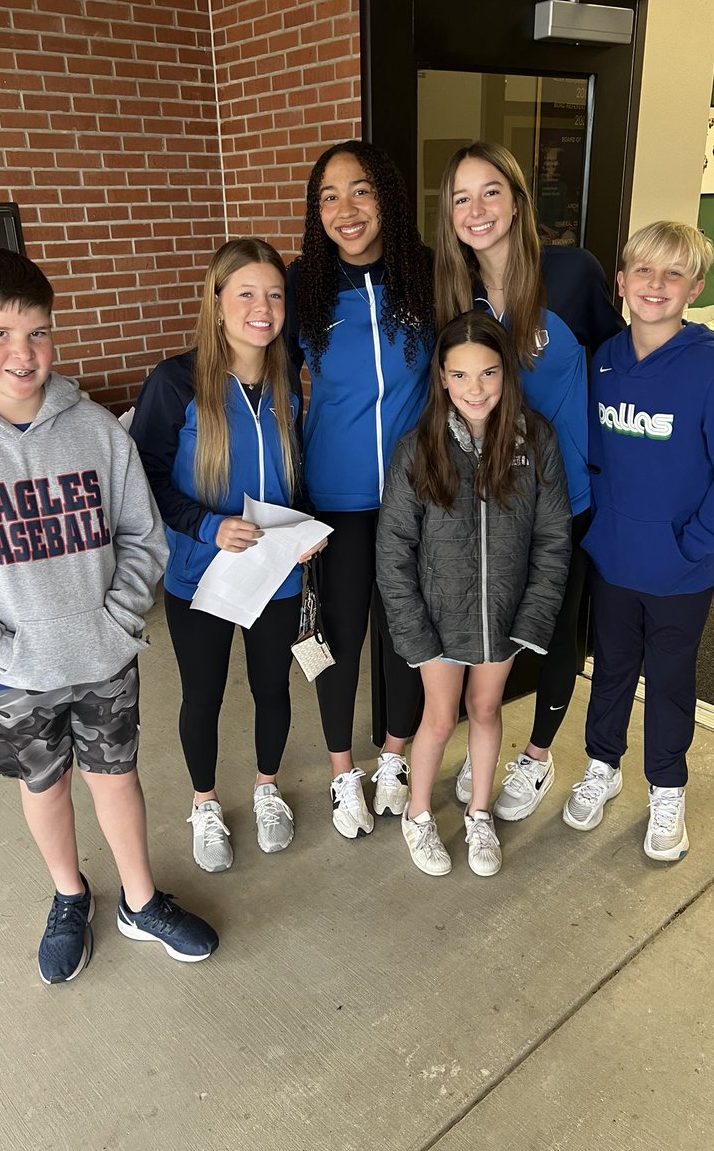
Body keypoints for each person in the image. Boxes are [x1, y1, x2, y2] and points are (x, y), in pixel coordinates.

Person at [0, 247, 218, 984]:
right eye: (0, 333)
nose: (22, 352)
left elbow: (142, 534)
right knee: (43, 785)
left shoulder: (98, 431)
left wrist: (117, 618)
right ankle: (70, 895)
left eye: (37, 332)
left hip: (104, 653)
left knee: (118, 775)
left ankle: (139, 901)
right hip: (12, 669)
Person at [434, 141, 624, 822]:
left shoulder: (572, 274)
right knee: (493, 629)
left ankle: (538, 757)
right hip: (491, 503)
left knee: (551, 629)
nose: (477, 209)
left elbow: (623, 361)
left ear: (516, 199)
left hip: (567, 496)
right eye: (461, 197)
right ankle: (485, 742)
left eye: (491, 192)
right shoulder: (455, 295)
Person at [563, 220, 714, 860]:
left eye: (674, 273)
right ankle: (602, 767)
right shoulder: (607, 360)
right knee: (611, 671)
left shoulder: (713, 369)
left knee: (670, 679)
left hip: (682, 570)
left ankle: (667, 788)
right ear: (620, 282)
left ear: (695, 287)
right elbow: (591, 455)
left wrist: (692, 544)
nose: (657, 284)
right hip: (615, 561)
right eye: (644, 271)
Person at [131, 238, 322, 873]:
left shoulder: (286, 379)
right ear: (216, 304)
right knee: (203, 694)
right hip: (200, 570)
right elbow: (146, 480)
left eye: (273, 294)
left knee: (273, 688)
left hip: (274, 571)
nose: (261, 307)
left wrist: (306, 529)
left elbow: (296, 475)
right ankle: (205, 803)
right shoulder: (174, 382)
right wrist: (207, 527)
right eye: (245, 293)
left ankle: (267, 789)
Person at [376, 312, 571, 876]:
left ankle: (479, 813)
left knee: (484, 710)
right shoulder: (419, 449)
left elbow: (553, 537)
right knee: (438, 717)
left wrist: (533, 617)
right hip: (438, 622)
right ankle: (418, 815)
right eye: (459, 376)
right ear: (441, 378)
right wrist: (413, 632)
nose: (475, 389)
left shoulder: (536, 441)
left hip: (505, 617)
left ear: (506, 373)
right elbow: (394, 549)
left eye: (487, 373)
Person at [286, 140, 435, 838]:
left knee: (409, 634)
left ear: (388, 199)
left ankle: (395, 758)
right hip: (336, 500)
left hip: (417, 498)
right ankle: (344, 771)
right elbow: (267, 388)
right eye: (329, 196)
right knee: (339, 638)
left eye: (361, 191)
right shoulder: (303, 289)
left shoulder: (428, 279)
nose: (346, 209)